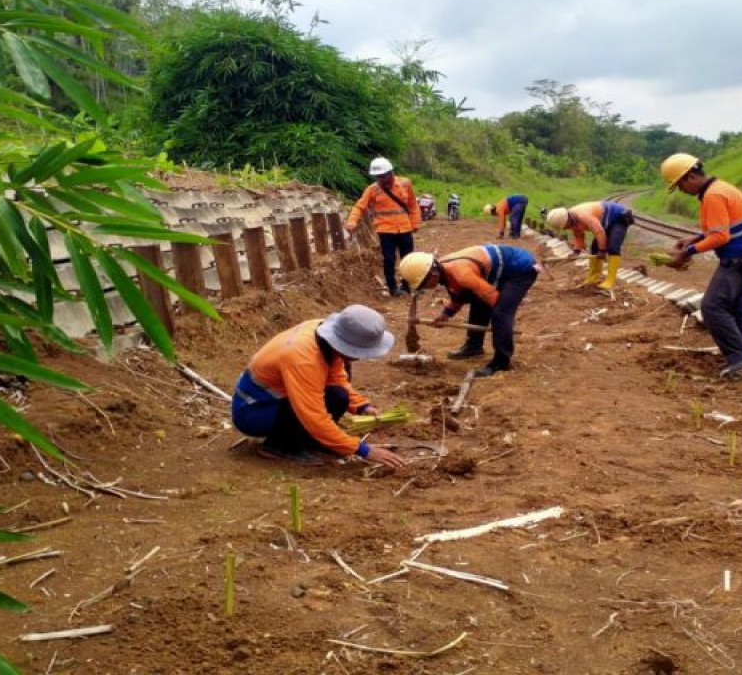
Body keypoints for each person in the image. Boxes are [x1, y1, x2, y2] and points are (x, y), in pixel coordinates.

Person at [231, 304, 407, 469]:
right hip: (254, 411)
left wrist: (361, 406)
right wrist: (362, 450)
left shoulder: (323, 334)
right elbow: (313, 415)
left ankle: (309, 441)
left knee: (339, 396)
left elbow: (335, 378)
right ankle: (279, 446)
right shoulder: (302, 360)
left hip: (278, 402)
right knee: (320, 409)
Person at [661, 153, 742, 379]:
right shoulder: (720, 189)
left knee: (712, 307)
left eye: (680, 185)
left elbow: (720, 237)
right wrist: (695, 239)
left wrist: (687, 252)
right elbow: (721, 228)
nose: (681, 190)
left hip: (738, 259)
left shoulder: (713, 196)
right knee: (734, 308)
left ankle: (740, 358)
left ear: (690, 177)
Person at [398, 245, 540, 377]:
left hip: (520, 269)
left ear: (433, 273)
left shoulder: (462, 274)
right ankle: (474, 346)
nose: (425, 288)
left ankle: (501, 362)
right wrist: (445, 315)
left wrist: (502, 320)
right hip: (498, 271)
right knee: (479, 298)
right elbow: (458, 296)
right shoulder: (444, 270)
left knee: (500, 313)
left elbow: (492, 297)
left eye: (423, 284)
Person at [346, 157, 421, 297]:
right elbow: (359, 206)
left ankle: (407, 285)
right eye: (379, 177)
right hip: (385, 230)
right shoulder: (372, 189)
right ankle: (392, 288)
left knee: (408, 258)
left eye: (385, 176)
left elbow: (412, 204)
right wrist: (352, 221)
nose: (383, 180)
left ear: (391, 173)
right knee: (389, 259)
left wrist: (415, 222)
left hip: (405, 228)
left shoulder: (405, 184)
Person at [544, 200, 634, 291]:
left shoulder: (583, 216)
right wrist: (576, 251)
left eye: (565, 226)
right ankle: (593, 277)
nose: (565, 229)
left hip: (618, 217)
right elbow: (578, 235)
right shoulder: (572, 220)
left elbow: (599, 232)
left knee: (613, 248)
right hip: (605, 223)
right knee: (594, 248)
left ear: (567, 220)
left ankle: (610, 280)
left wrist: (602, 251)